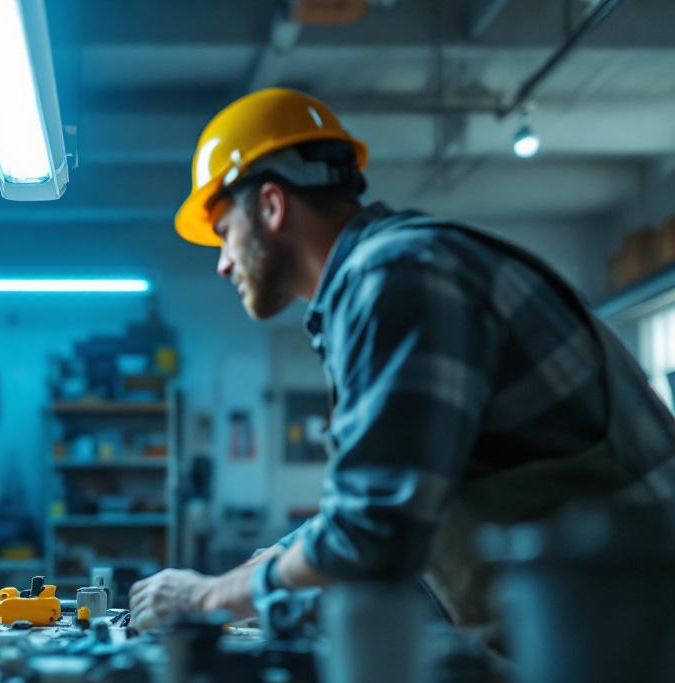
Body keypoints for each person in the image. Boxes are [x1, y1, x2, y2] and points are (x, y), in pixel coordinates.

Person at [130, 88, 675, 647]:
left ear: (272, 206)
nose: (221, 264)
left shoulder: (397, 277)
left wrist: (211, 596)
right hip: (604, 637)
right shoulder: (381, 282)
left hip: (642, 646)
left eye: (224, 233)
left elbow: (374, 531)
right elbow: (376, 506)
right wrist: (252, 575)